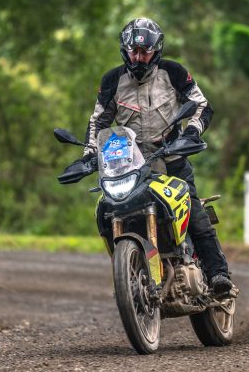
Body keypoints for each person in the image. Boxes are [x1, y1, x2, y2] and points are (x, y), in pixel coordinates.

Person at [81, 18, 233, 294]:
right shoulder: (112, 81)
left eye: (145, 52)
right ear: (125, 51)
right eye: (133, 52)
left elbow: (201, 106)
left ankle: (218, 275)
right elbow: (98, 123)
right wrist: (90, 154)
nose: (138, 57)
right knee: (107, 210)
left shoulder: (173, 72)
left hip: (172, 158)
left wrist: (191, 134)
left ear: (156, 50)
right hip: (130, 165)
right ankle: (129, 274)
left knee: (195, 213)